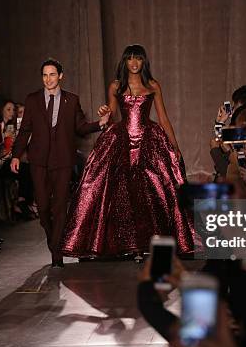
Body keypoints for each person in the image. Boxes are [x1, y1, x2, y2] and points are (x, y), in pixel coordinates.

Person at [61, 44, 198, 259]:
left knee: (155, 193)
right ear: (124, 62)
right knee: (119, 194)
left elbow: (163, 118)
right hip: (121, 142)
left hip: (149, 142)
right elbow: (112, 113)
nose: (134, 63)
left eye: (138, 59)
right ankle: (123, 245)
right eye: (130, 59)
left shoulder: (152, 85)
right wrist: (105, 111)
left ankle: (155, 242)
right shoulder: (116, 86)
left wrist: (175, 146)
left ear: (144, 62)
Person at [10, 58, 110, 268]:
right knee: (44, 208)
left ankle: (57, 255)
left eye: (52, 74)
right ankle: (53, 240)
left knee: (59, 208)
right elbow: (25, 130)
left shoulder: (71, 100)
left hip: (63, 160)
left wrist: (100, 124)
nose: (48, 79)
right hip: (39, 161)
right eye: (45, 75)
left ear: (60, 76)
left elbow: (80, 127)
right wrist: (16, 155)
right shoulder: (32, 100)